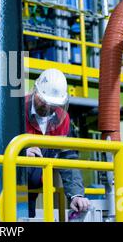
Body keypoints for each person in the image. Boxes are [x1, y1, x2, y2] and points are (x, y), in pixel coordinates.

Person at [25, 68, 90, 218]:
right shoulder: (16, 109)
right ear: (36, 90)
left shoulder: (62, 119)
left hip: (31, 193)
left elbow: (68, 158)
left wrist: (76, 195)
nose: (48, 108)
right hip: (4, 187)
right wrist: (21, 153)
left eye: (53, 104)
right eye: (44, 102)